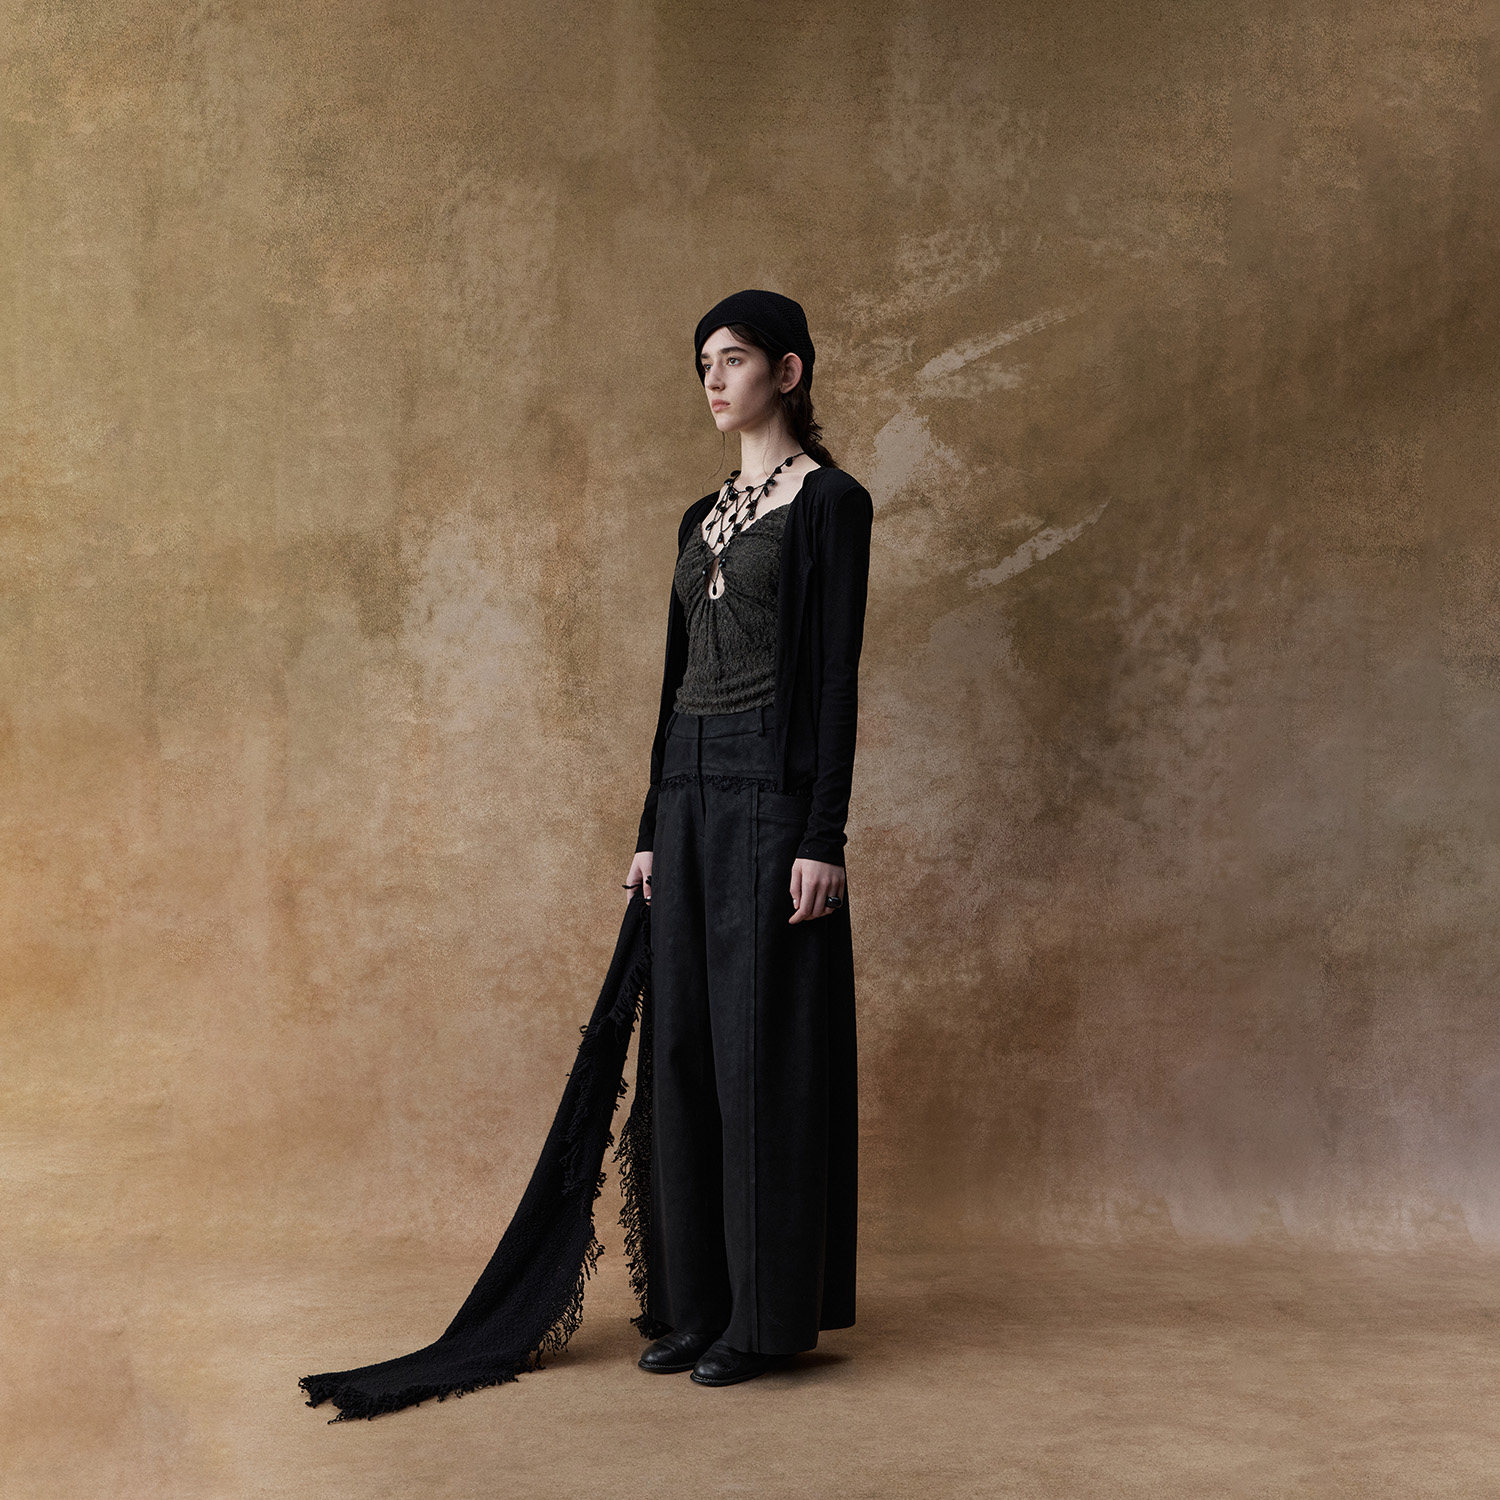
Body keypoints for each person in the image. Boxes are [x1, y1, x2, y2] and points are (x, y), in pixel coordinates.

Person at [624, 288, 874, 1387]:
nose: (714, 380)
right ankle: (697, 1306)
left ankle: (762, 1323)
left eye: (732, 359)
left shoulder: (832, 504)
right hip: (685, 800)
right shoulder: (700, 517)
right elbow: (674, 681)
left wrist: (824, 835)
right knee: (683, 1051)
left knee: (758, 1054)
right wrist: (650, 827)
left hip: (772, 802)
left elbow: (835, 679)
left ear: (790, 370)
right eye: (703, 365)